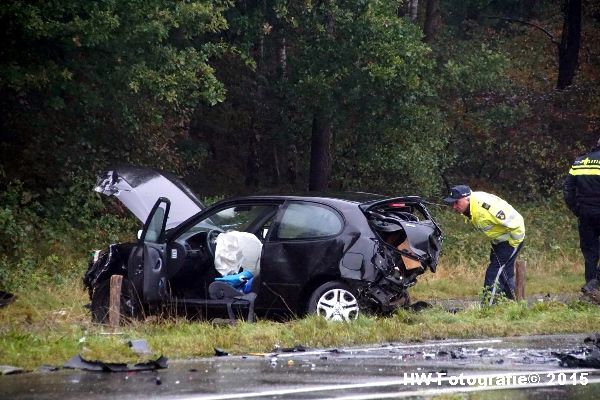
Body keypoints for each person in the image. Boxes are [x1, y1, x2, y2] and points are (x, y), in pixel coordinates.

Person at [443, 185, 525, 302]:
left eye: (457, 203)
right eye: (452, 203)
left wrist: (513, 243)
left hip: (511, 240)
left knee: (494, 271)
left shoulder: (486, 207)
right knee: (505, 272)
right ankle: (511, 303)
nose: (454, 207)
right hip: (499, 242)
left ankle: (487, 306)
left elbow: (517, 224)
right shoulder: (471, 205)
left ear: (467, 199)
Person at [563, 137, 600, 301]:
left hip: (585, 213)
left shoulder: (580, 161)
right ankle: (594, 285)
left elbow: (567, 190)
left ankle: (591, 293)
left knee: (590, 254)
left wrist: (577, 209)